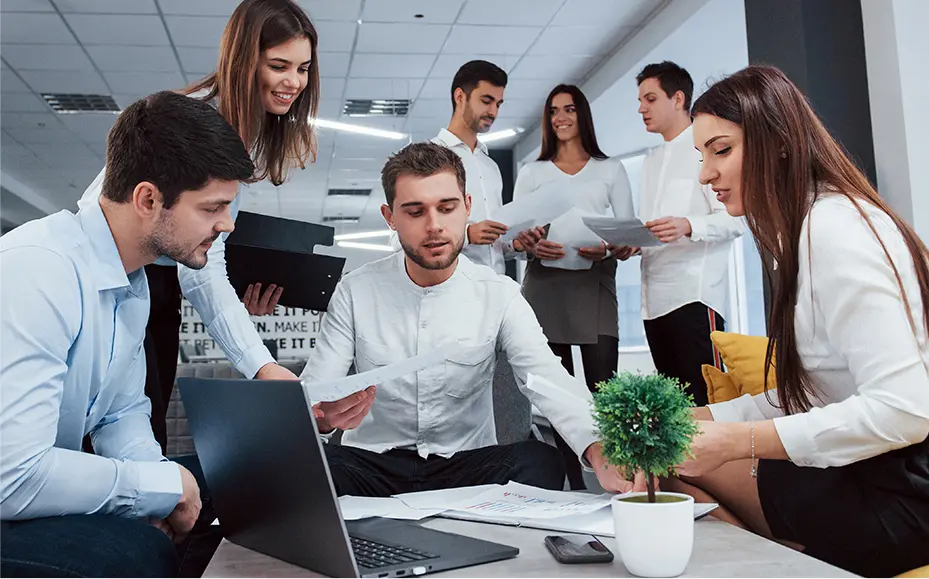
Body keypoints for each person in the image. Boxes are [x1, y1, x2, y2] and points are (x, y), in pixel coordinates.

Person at [665, 65, 929, 577]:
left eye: (721, 150)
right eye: (701, 156)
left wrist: (733, 442)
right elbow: (809, 390)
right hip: (871, 473)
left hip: (903, 497)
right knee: (666, 450)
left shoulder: (834, 230)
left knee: (667, 468)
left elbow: (906, 410)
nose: (704, 174)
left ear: (779, 143)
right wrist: (695, 421)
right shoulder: (803, 231)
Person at [0, 92, 255, 577]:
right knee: (130, 552)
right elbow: (13, 476)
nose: (226, 225)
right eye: (213, 208)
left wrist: (161, 491)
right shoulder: (39, 269)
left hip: (25, 487)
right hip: (9, 491)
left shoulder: (132, 282)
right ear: (147, 199)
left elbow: (121, 412)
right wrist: (158, 489)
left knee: (235, 483)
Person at [301, 142, 638, 498]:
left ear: (467, 207)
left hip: (467, 465)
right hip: (373, 464)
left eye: (447, 208)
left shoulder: (500, 294)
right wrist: (322, 419)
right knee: (310, 466)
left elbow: (547, 380)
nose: (434, 226)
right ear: (390, 217)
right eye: (415, 212)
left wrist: (599, 447)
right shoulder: (355, 291)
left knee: (541, 462)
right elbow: (315, 390)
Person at [77, 0, 320, 452]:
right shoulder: (189, 123)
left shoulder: (241, 128)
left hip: (151, 290)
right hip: (116, 282)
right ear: (245, 61)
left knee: (143, 434)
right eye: (279, 65)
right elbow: (109, 213)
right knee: (114, 433)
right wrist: (261, 365)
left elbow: (203, 265)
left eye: (303, 68)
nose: (294, 82)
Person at [512, 84, 635, 489]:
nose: (561, 118)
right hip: (545, 286)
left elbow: (627, 234)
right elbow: (516, 236)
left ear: (582, 114)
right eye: (553, 111)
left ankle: (620, 477)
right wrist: (531, 245)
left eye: (569, 109)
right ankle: (574, 485)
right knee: (558, 395)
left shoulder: (610, 169)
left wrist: (608, 248)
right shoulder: (532, 172)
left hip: (595, 283)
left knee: (605, 389)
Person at [634, 61, 744, 406]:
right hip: (653, 305)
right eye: (640, 100)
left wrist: (689, 224)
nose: (641, 108)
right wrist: (631, 243)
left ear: (678, 98)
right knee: (675, 412)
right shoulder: (650, 161)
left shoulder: (705, 149)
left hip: (694, 299)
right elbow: (653, 225)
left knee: (707, 404)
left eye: (650, 99)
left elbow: (735, 221)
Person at [394, 60, 540, 271]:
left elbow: (493, 248)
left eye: (498, 104)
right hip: (449, 289)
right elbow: (398, 240)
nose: (493, 112)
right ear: (460, 96)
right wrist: (467, 235)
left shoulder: (490, 167)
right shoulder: (425, 158)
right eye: (486, 101)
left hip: (494, 288)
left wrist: (515, 246)